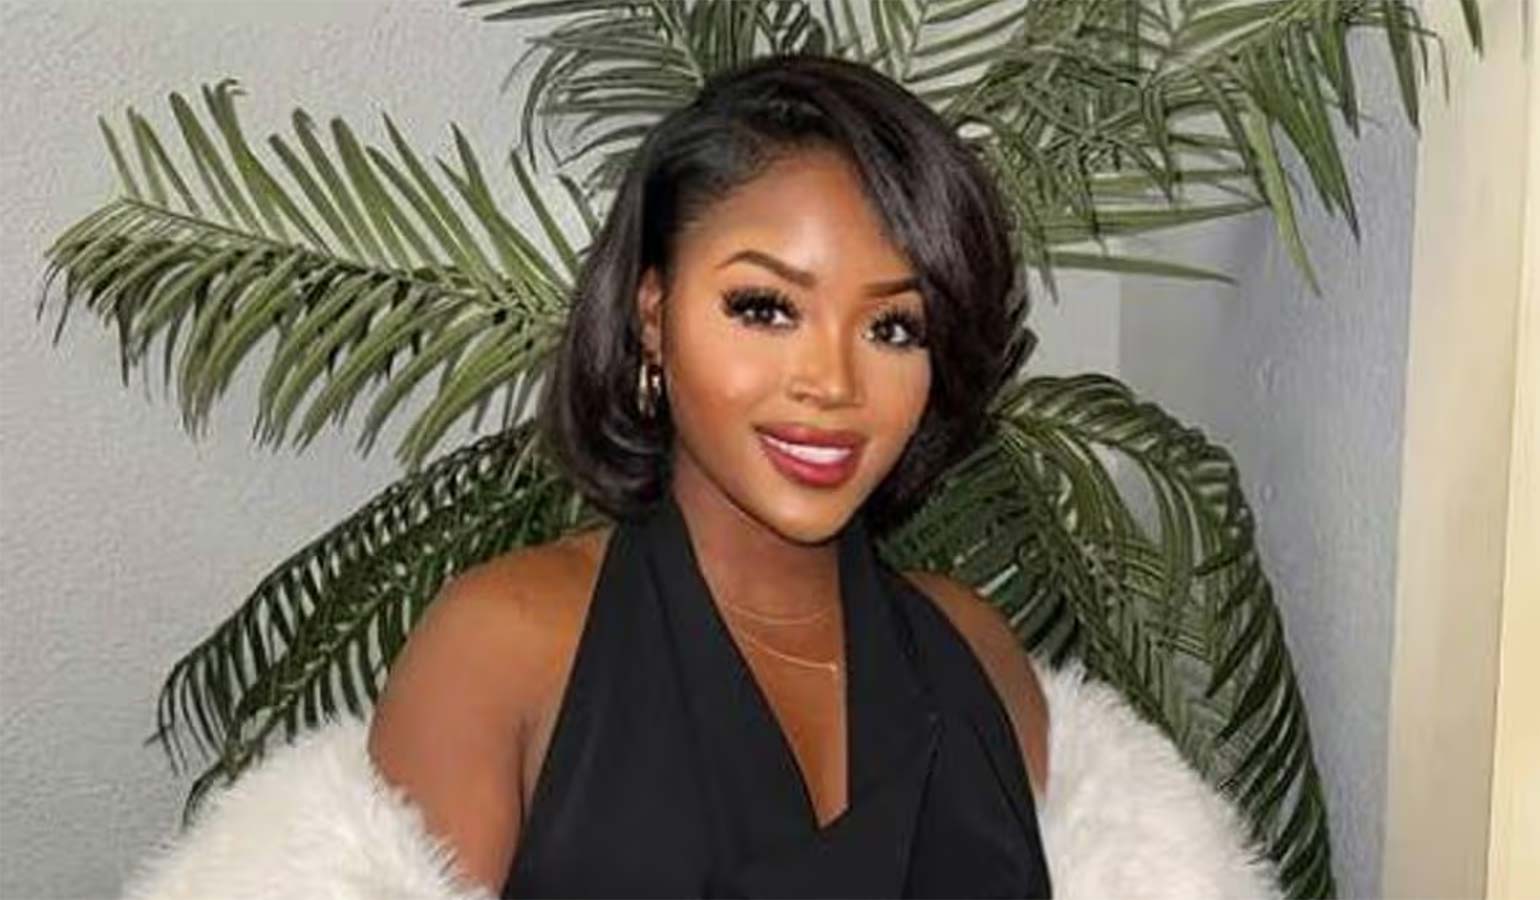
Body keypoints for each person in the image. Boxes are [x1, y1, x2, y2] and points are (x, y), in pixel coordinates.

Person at [365, 53, 1052, 898]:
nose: (833, 383)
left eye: (894, 328)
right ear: (654, 316)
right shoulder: (503, 647)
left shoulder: (977, 654)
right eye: (765, 308)